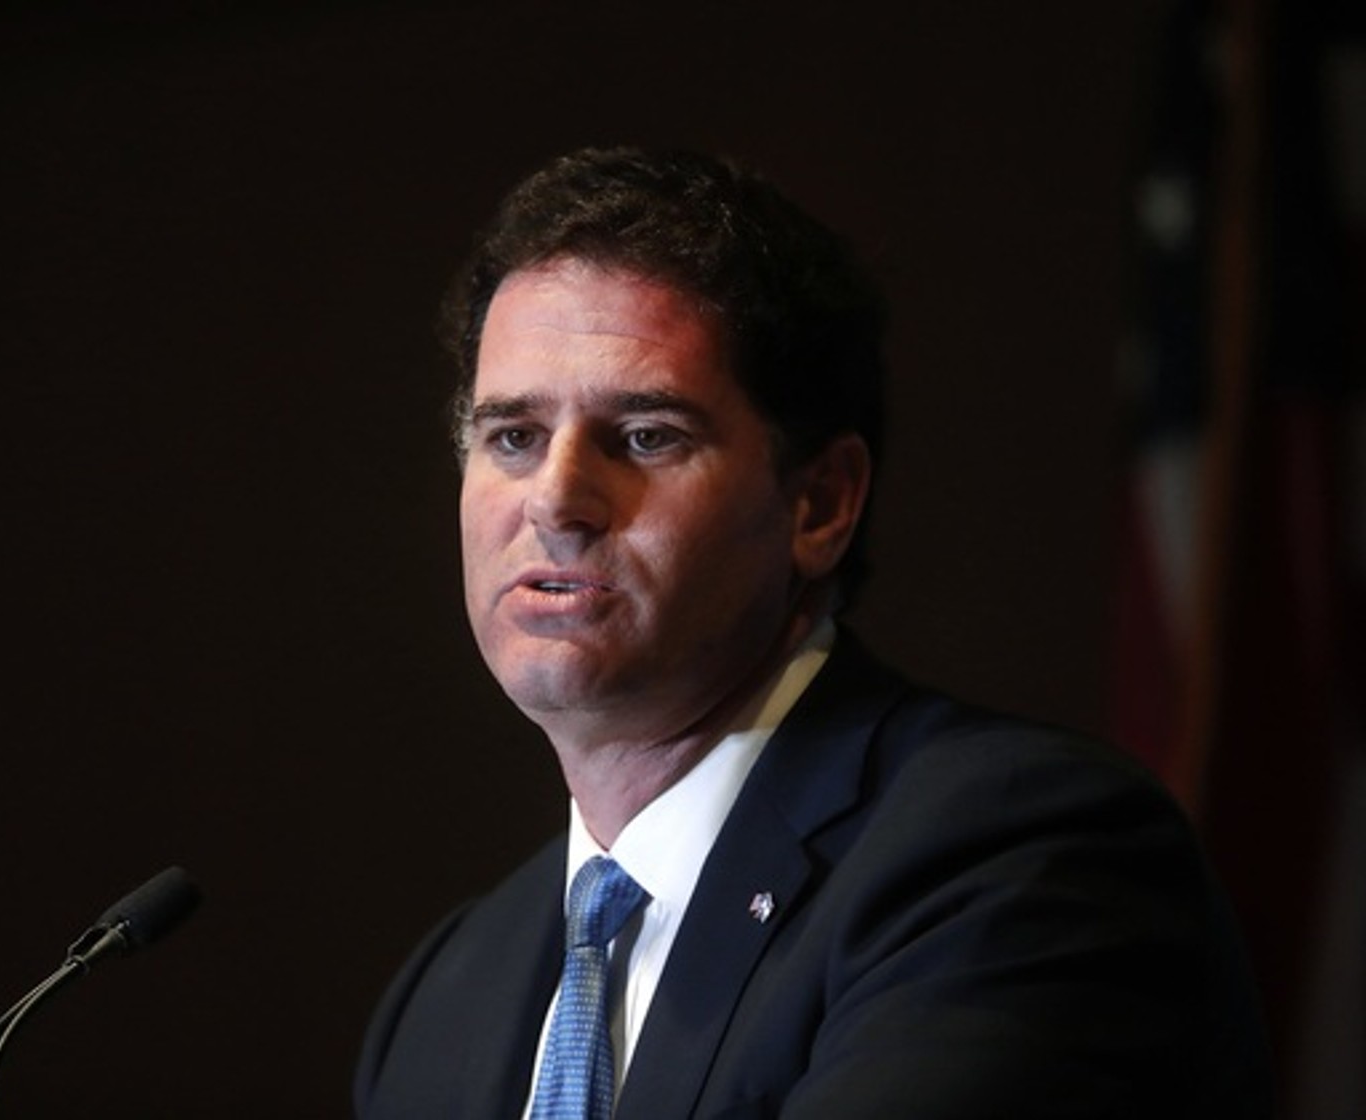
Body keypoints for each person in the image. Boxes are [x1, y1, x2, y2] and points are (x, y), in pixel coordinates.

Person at [354, 146, 1272, 1119]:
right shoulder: (447, 997)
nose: (556, 500)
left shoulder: (1013, 858)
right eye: (513, 437)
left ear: (821, 503)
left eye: (646, 436)